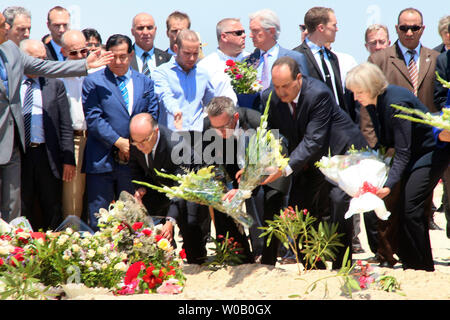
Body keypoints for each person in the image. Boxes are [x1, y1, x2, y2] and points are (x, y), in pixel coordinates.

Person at [0, 12, 113, 223]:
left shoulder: (11, 52)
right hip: (10, 142)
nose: (5, 29)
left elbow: (47, 67)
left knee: (13, 207)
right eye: (2, 26)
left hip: (13, 147)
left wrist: (85, 65)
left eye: (6, 25)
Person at [261, 56, 368, 269]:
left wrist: (284, 167)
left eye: (286, 86)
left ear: (298, 78)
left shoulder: (318, 93)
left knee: (338, 203)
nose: (281, 92)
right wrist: (260, 165)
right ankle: (312, 263)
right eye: (276, 86)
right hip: (307, 158)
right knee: (300, 207)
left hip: (339, 153)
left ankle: (342, 264)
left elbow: (314, 139)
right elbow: (270, 136)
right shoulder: (270, 98)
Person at [346, 62, 450, 271]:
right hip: (414, 154)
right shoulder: (375, 102)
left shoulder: (394, 102)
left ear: (372, 86)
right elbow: (385, 143)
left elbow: (402, 151)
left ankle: (422, 266)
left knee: (411, 207)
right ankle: (412, 264)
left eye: (359, 92)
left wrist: (388, 185)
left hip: (431, 152)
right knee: (402, 209)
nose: (356, 98)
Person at [368, 7, 441, 231]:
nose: (409, 32)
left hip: (429, 143)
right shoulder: (379, 59)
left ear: (423, 29)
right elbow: (366, 108)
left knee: (419, 203)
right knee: (390, 200)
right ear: (397, 28)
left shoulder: (437, 59)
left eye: (414, 28)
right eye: (404, 28)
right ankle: (387, 252)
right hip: (391, 145)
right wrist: (372, 145)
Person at [82, 34, 159, 231]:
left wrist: (133, 144)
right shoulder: (93, 81)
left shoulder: (145, 82)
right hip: (102, 160)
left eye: (123, 56)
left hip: (134, 162)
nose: (118, 61)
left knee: (133, 218)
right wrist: (118, 141)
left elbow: (151, 115)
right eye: (113, 56)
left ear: (131, 55)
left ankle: (132, 260)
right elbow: (93, 118)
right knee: (100, 218)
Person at [204, 96, 290, 265]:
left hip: (269, 172)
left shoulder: (256, 121)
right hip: (236, 170)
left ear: (235, 117)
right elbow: (212, 161)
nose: (219, 132)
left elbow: (279, 151)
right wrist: (219, 188)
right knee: (220, 201)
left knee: (267, 202)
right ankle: (240, 257)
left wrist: (251, 175)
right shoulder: (210, 125)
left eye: (223, 127)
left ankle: (267, 257)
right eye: (216, 128)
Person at [129, 113, 208, 263]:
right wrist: (139, 187)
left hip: (189, 185)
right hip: (159, 184)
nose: (139, 146)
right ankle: (163, 257)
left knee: (190, 228)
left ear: (156, 132)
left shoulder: (176, 146)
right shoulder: (136, 139)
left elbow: (179, 189)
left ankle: (197, 260)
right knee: (141, 218)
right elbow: (134, 166)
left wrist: (170, 221)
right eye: (135, 142)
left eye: (144, 142)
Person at [18, 39, 75, 231]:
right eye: (37, 59)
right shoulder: (12, 83)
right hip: (20, 155)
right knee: (23, 206)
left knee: (52, 206)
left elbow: (65, 125)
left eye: (44, 58)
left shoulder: (54, 84)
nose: (42, 64)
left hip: (47, 155)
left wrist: (68, 158)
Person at [153, 29, 215, 132]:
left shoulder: (203, 74)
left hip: (197, 139)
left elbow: (211, 103)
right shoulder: (161, 72)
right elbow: (165, 96)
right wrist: (175, 111)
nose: (191, 58)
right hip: (171, 138)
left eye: (195, 54)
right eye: (187, 53)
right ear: (176, 49)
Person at [293, 7, 349, 116]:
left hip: (337, 126)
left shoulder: (332, 57)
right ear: (321, 28)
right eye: (334, 25)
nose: (336, 29)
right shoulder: (297, 56)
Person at [60, 30, 90, 222]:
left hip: (96, 138)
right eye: (73, 53)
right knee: (73, 198)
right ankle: (72, 242)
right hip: (74, 140)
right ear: (63, 52)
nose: (79, 57)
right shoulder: (58, 77)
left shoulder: (96, 72)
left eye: (83, 51)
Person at [246, 9, 309, 98]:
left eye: (255, 31)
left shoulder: (295, 58)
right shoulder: (246, 62)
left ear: (271, 31)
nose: (250, 35)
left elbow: (305, 93)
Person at [198, 18, 249, 105]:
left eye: (244, 32)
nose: (244, 35)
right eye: (238, 33)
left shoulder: (254, 60)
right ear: (224, 37)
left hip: (250, 116)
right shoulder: (205, 66)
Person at [130, 13, 172, 77]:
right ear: (132, 31)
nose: (145, 32)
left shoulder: (168, 59)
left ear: (155, 30)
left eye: (149, 28)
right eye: (140, 28)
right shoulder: (125, 57)